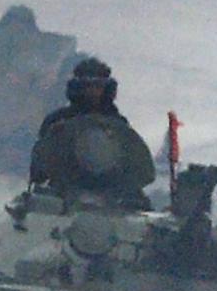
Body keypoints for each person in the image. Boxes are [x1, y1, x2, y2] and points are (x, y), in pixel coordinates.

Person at [28, 57, 157, 208]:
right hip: (65, 189)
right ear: (77, 87)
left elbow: (133, 165)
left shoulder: (118, 124)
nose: (93, 91)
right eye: (87, 86)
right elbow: (40, 168)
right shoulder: (57, 121)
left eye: (98, 86)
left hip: (111, 193)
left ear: (107, 88)